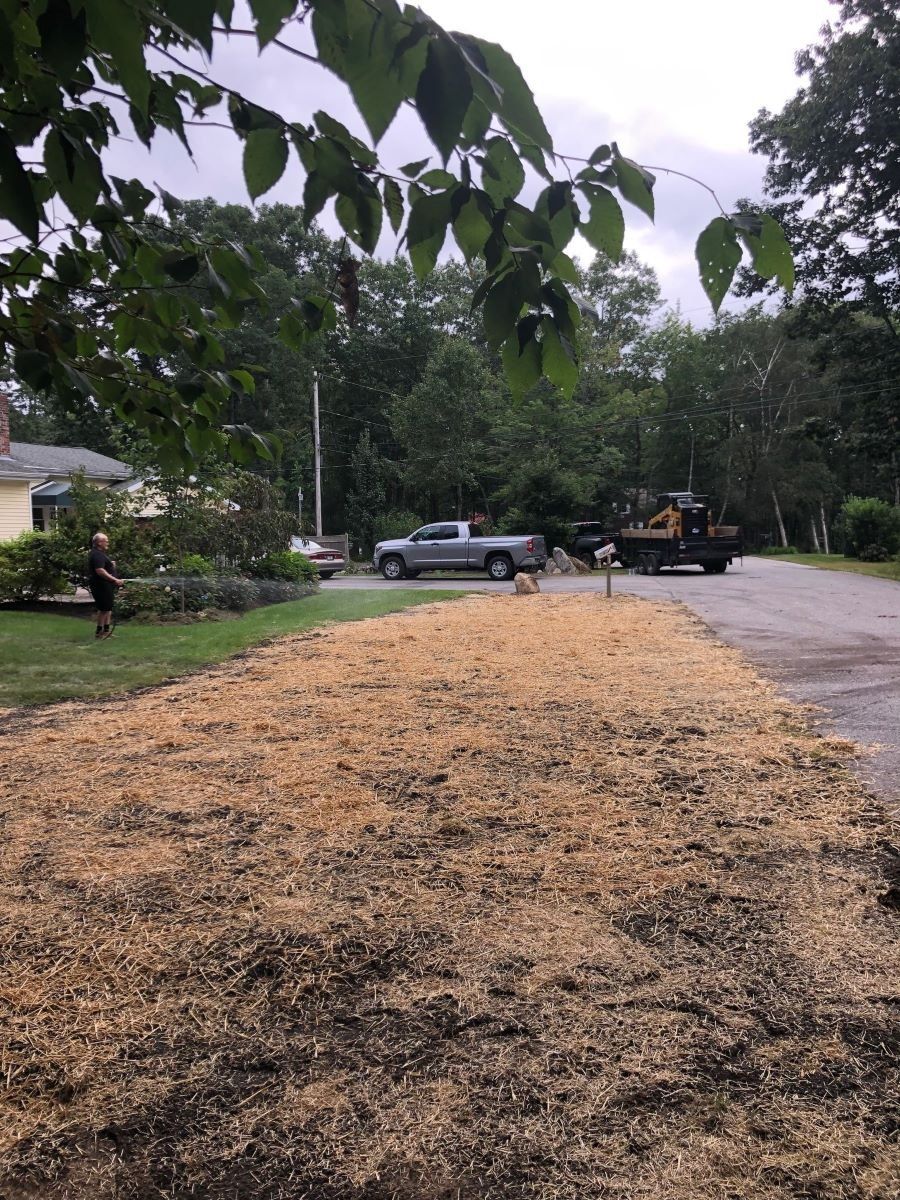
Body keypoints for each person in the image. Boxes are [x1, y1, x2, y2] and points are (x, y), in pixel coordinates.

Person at [87, 532, 124, 640]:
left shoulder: (99, 553)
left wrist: (111, 565)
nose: (107, 542)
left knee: (108, 608)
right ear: (99, 542)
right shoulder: (97, 554)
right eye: (106, 541)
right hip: (101, 586)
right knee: (103, 609)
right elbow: (99, 570)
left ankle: (106, 632)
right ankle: (99, 633)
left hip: (106, 586)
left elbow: (103, 567)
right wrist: (115, 579)